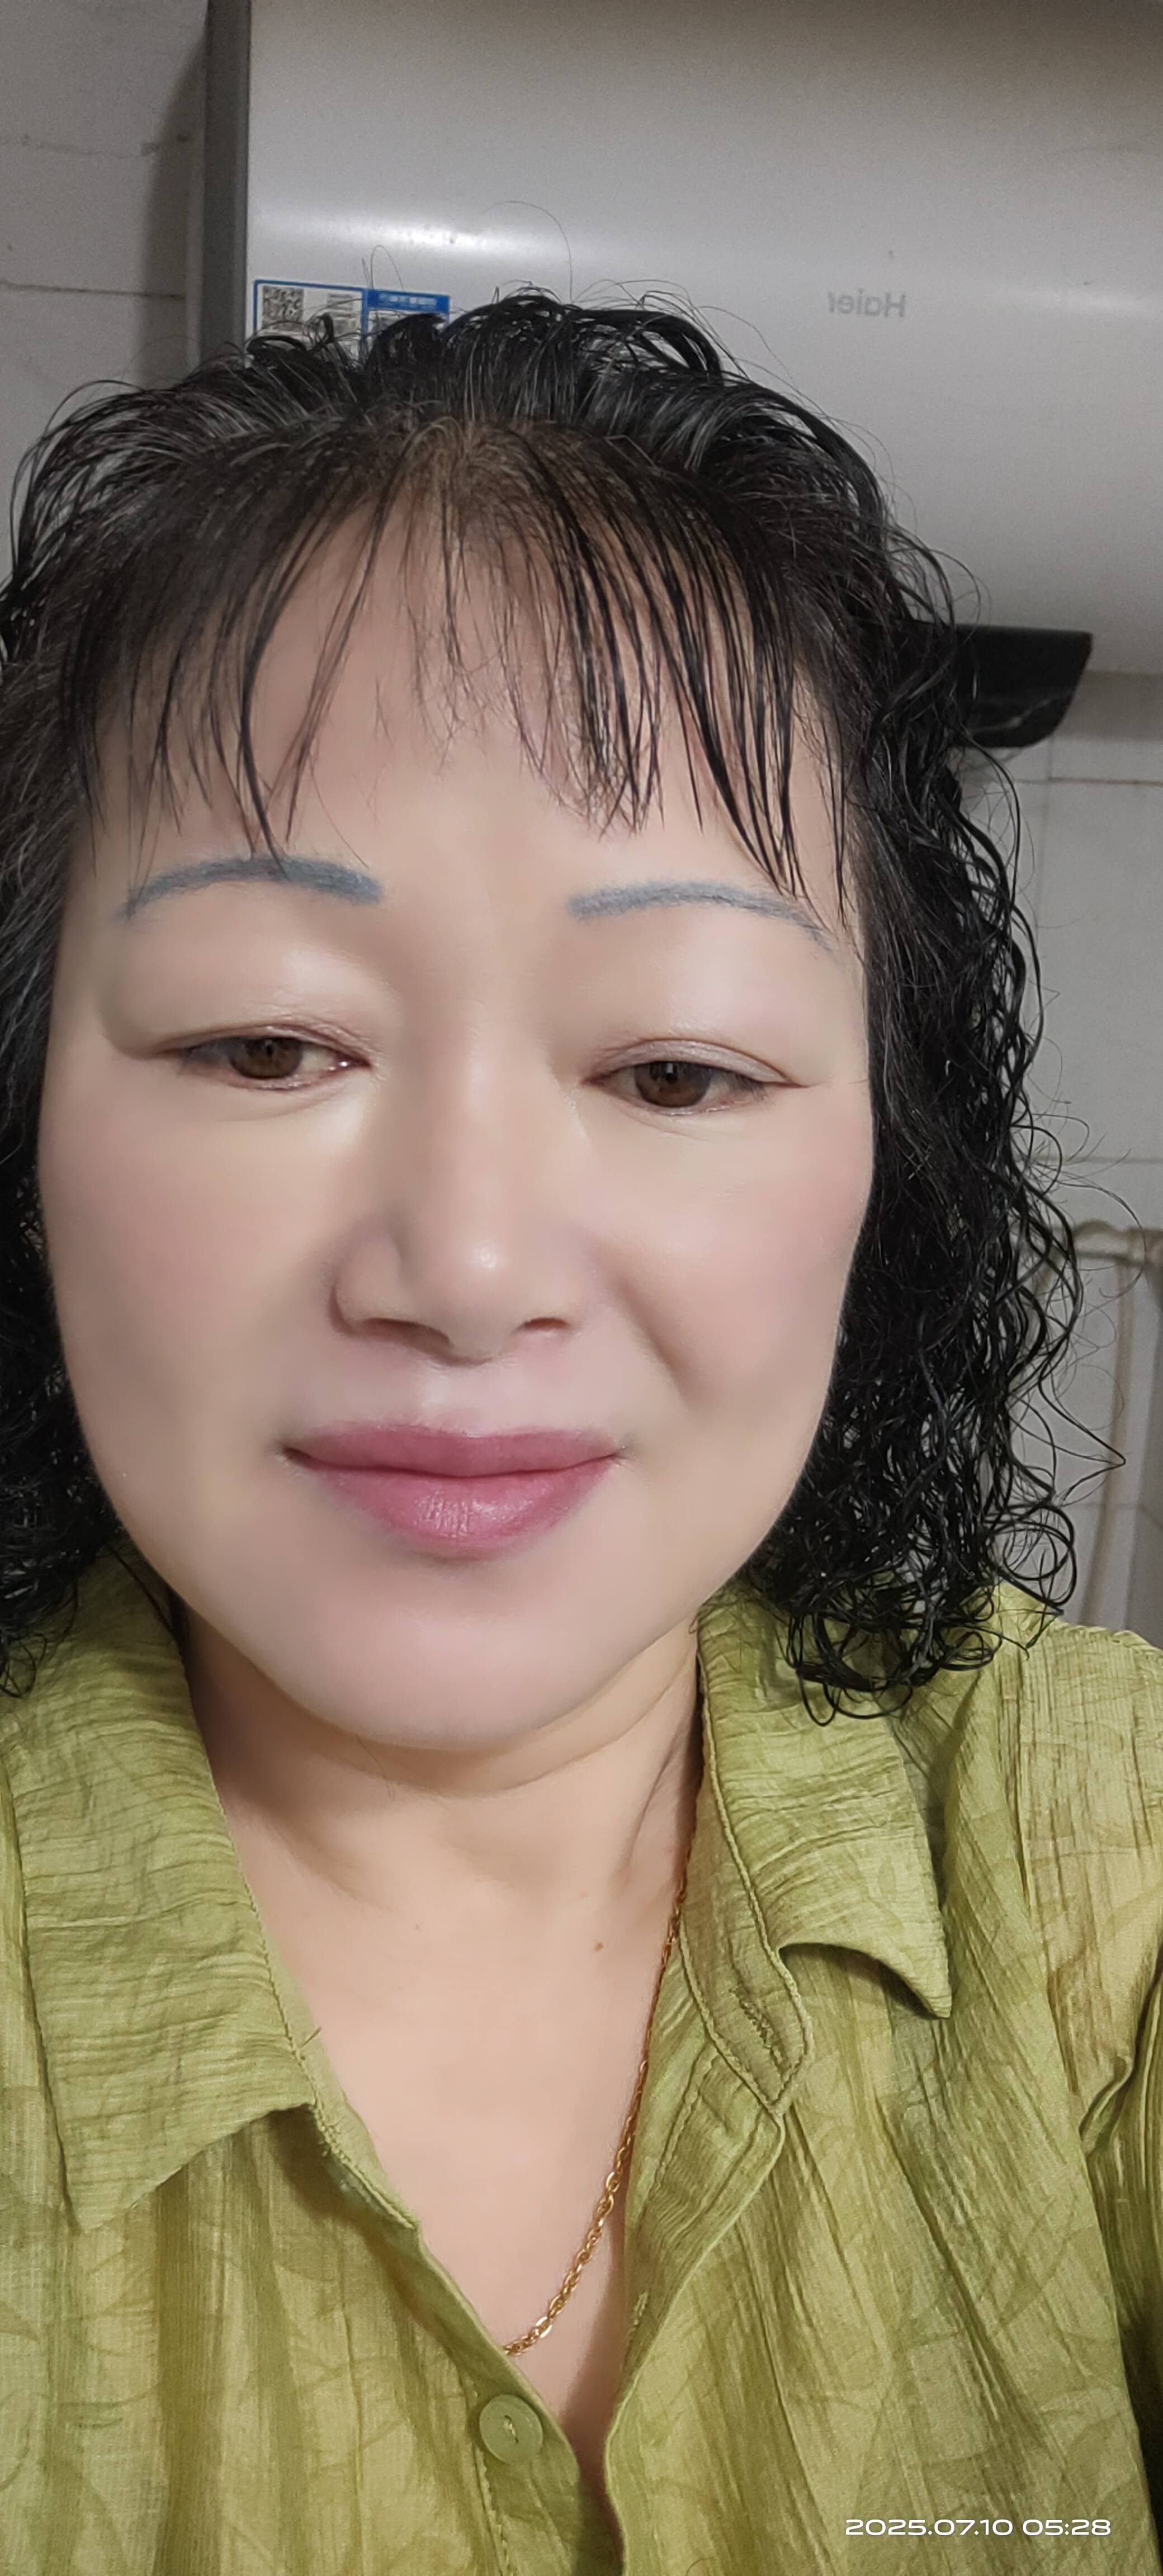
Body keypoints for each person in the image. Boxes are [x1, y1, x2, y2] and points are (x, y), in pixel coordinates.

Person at [0, 290, 1159, 2575]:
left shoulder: (1094, 1857)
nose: (465, 1265)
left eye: (675, 1069)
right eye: (265, 1045)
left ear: (888, 1158)